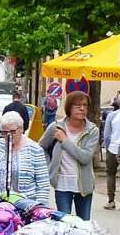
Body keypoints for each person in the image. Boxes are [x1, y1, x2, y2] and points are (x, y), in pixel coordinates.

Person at [39, 90, 99, 219]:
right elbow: (41, 148)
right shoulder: (56, 127)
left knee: (83, 225)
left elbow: (85, 158)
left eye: (85, 105)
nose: (82, 109)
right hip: (61, 184)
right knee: (64, 223)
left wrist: (65, 141)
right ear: (69, 107)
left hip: (84, 184)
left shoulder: (92, 130)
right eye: (77, 106)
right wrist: (50, 167)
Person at [0, 111, 49, 203]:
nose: (8, 135)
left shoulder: (35, 149)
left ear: (21, 129)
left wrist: (40, 207)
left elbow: (43, 183)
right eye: (4, 132)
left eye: (12, 132)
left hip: (24, 205)